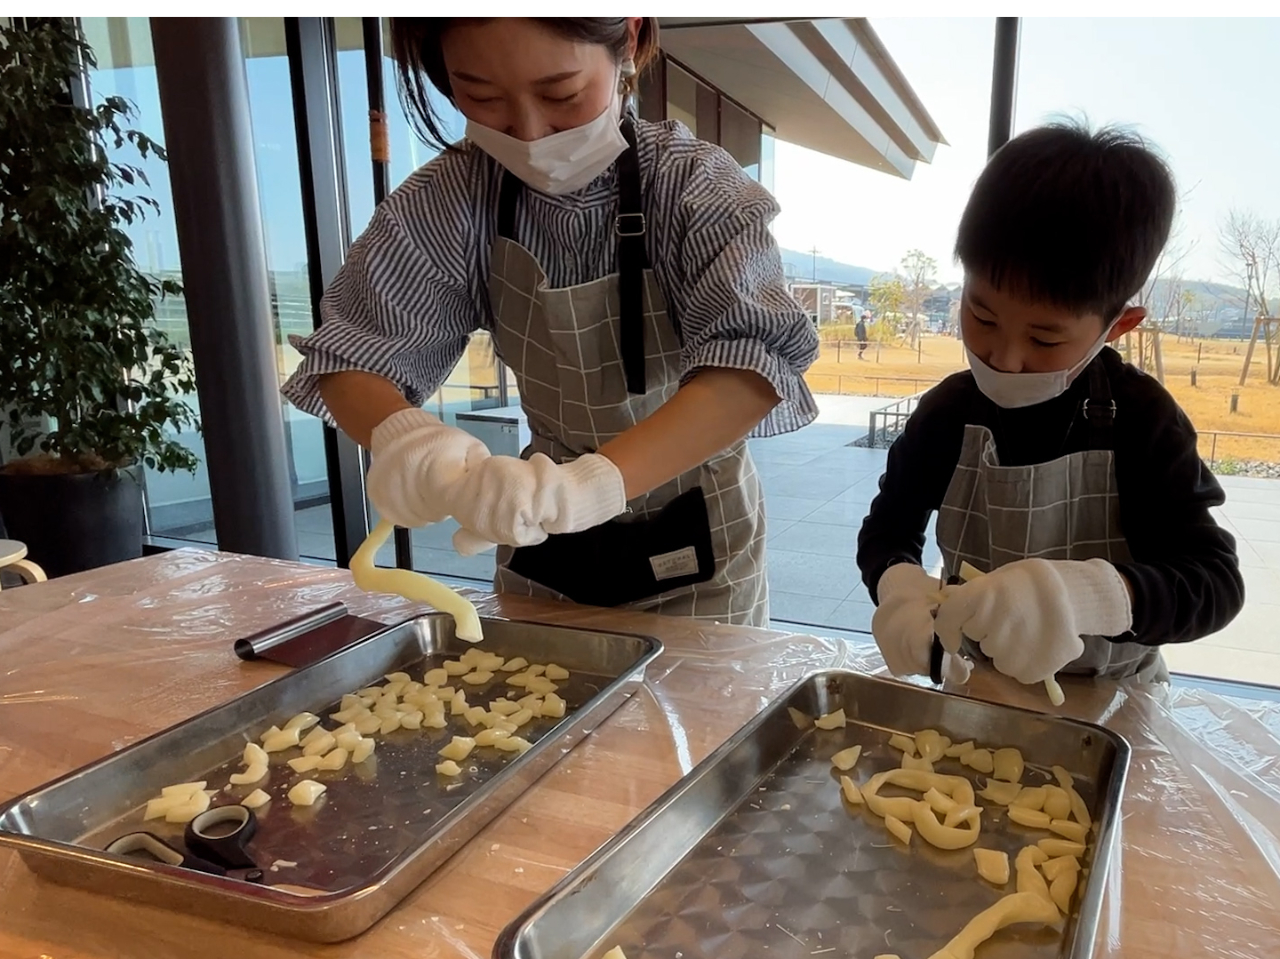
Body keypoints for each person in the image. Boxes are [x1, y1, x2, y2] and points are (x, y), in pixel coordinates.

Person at [281, 18, 819, 626]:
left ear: (632, 41)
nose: (530, 131)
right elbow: (352, 359)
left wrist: (592, 485)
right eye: (481, 97)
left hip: (695, 529)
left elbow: (750, 363)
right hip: (540, 531)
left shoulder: (694, 187)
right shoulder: (449, 199)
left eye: (561, 93)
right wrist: (411, 439)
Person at [856, 122, 1244, 687]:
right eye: (981, 316)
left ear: (1119, 325)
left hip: (1111, 696)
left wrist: (1088, 596)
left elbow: (1213, 583)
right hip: (976, 683)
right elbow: (888, 529)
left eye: (1045, 339)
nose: (1005, 358)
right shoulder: (947, 413)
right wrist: (898, 585)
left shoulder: (1141, 419)